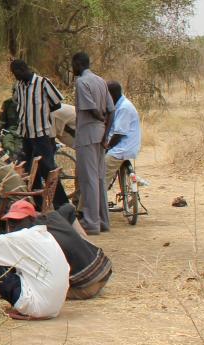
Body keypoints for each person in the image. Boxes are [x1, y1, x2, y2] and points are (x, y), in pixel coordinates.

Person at [10, 201, 113, 300]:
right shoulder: (53, 216)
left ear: (31, 219)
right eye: (11, 221)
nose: (13, 226)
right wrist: (82, 239)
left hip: (86, 287)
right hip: (104, 271)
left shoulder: (34, 238)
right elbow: (69, 207)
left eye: (17, 221)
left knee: (33, 291)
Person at [72, 52, 115, 234]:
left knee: (88, 179)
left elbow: (91, 109)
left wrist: (101, 119)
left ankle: (91, 223)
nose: (72, 68)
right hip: (100, 135)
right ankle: (103, 221)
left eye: (72, 64)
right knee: (98, 178)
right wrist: (106, 134)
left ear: (78, 64)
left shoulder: (82, 82)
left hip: (87, 134)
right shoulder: (101, 81)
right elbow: (112, 110)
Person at [10, 60, 64, 197]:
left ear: (21, 70)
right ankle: (37, 203)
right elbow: (18, 104)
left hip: (40, 133)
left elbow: (57, 104)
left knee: (48, 168)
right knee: (29, 170)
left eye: (15, 73)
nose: (14, 76)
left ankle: (61, 202)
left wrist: (42, 111)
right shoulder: (19, 86)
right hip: (25, 134)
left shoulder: (43, 83)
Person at [105, 81, 141, 193]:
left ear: (111, 95)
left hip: (122, 148)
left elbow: (119, 134)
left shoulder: (124, 108)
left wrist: (107, 147)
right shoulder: (120, 104)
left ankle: (96, 203)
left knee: (100, 174)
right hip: (123, 146)